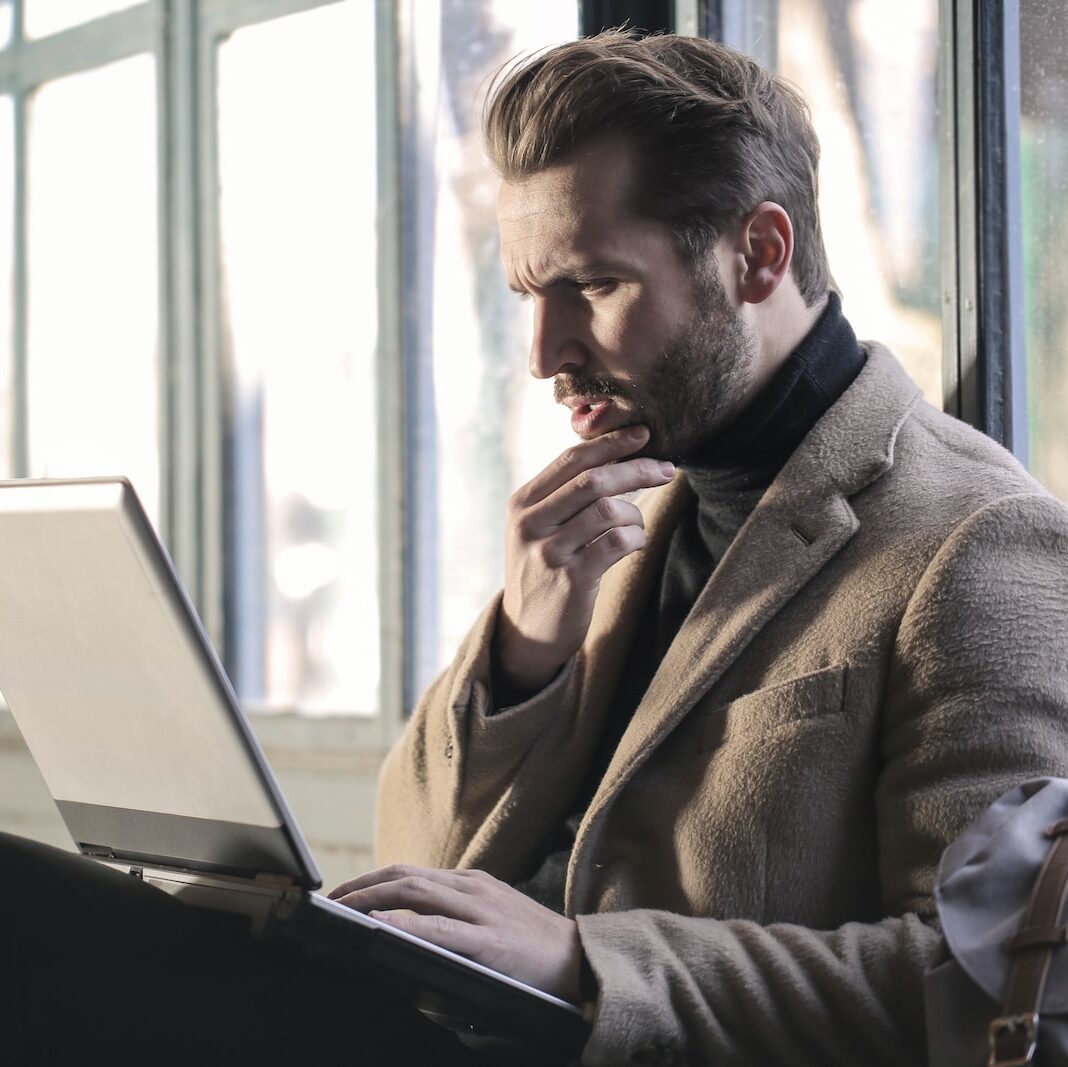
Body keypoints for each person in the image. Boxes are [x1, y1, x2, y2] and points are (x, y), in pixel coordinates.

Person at [326, 28, 1068, 1066]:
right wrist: (523, 655)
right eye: (527, 297)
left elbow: (984, 989)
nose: (546, 353)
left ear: (759, 255)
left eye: (590, 285)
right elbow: (412, 870)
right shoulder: (615, 507)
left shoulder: (982, 543)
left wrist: (587, 962)